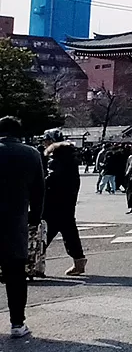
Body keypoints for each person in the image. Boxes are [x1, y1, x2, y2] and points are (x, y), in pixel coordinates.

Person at [0, 116, 44, 339]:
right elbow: (39, 191)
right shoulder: (31, 154)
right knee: (15, 274)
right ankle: (17, 323)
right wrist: (34, 218)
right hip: (15, 221)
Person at [42, 141, 86, 277]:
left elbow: (50, 181)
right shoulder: (72, 164)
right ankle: (79, 261)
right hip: (68, 203)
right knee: (70, 233)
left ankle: (32, 262)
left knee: (43, 235)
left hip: (53, 204)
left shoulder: (56, 163)